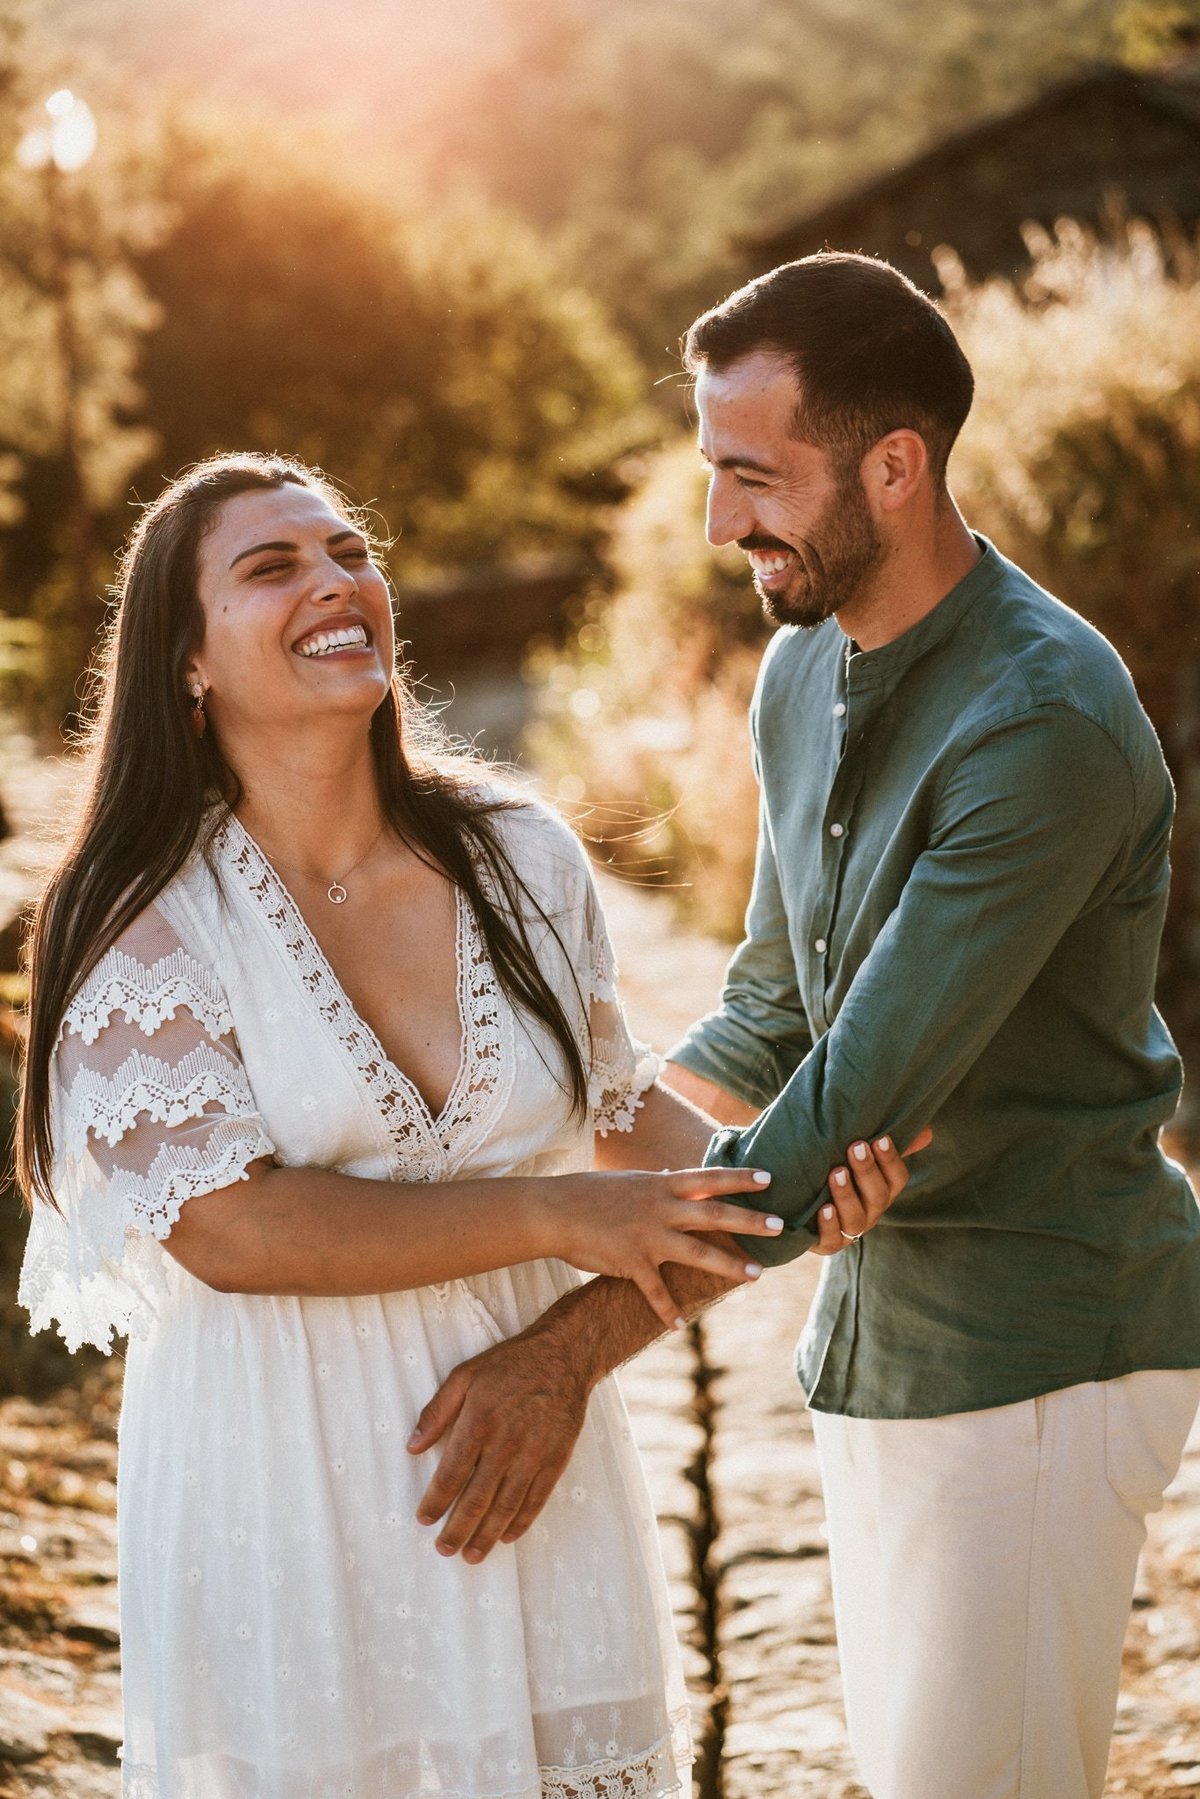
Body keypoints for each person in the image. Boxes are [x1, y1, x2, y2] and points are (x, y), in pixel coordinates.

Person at [408, 255, 1200, 1799]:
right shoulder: (799, 671)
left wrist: (573, 1350)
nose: (720, 525)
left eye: (752, 478)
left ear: (895, 468)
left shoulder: (1038, 723)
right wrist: (573, 1162)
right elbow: (776, 1009)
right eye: (711, 473)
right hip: (880, 1332)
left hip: (1041, 1344)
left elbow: (848, 1101)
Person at [15, 451, 908, 1799]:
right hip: (282, 1496)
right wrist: (555, 1216)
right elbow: (229, 1229)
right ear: (184, 663)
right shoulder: (139, 914)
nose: (337, 582)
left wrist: (800, 1176)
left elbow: (629, 1123)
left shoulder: (520, 854)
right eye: (273, 568)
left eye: (349, 553)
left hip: (534, 1488)